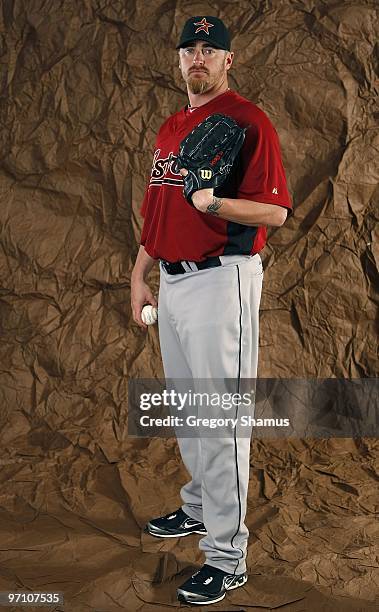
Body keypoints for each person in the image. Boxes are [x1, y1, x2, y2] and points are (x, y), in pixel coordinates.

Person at [131, 15, 293, 606]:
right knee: (187, 409)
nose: (197, 57)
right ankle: (199, 507)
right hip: (171, 284)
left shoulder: (250, 122)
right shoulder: (172, 126)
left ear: (229, 60)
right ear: (178, 62)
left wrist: (218, 200)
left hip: (221, 282)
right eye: (188, 49)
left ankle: (228, 559)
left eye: (210, 49)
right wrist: (138, 275)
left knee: (221, 421)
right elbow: (156, 214)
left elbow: (276, 214)